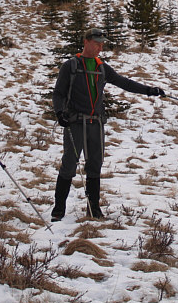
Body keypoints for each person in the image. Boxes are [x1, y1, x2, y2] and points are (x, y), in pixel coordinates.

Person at [51, 28, 165, 221]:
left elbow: (124, 83)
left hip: (96, 123)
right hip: (75, 122)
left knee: (95, 165)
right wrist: (60, 113)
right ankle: (58, 208)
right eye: (97, 43)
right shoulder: (70, 66)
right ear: (86, 42)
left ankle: (93, 209)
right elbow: (58, 93)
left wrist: (149, 90)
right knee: (69, 165)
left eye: (102, 44)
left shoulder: (102, 67)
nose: (100, 47)